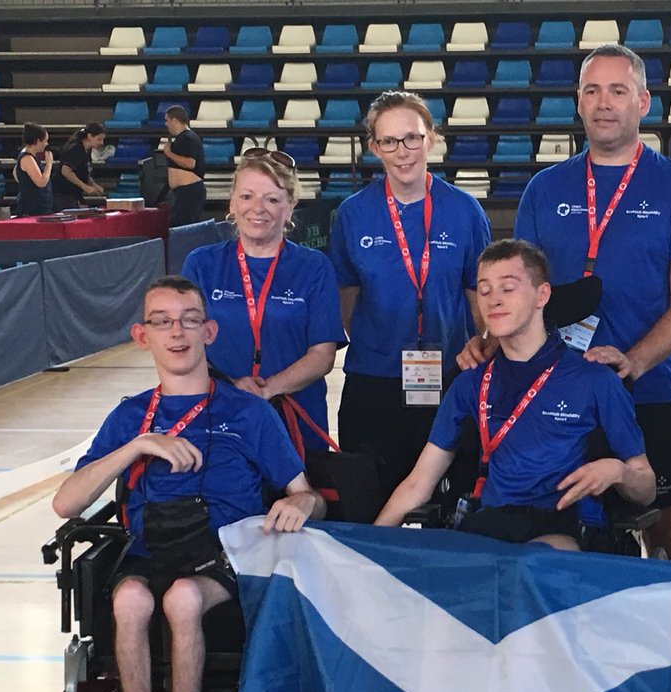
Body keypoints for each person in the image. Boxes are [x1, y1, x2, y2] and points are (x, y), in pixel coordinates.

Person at [51, 275, 325, 692]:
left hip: (226, 556)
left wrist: (298, 503)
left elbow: (309, 494)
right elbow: (66, 503)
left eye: (189, 319)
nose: (176, 332)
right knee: (129, 597)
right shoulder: (131, 416)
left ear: (210, 330)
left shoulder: (247, 412)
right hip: (153, 550)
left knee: (182, 598)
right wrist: (137, 447)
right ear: (141, 335)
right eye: (162, 321)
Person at [484, 43, 671, 563]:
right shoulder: (545, 189)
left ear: (643, 102)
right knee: (561, 522)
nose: (604, 102)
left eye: (618, 90)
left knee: (665, 535)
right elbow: (518, 293)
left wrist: (632, 362)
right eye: (593, 90)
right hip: (555, 391)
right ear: (579, 102)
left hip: (650, 388)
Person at [374, 239, 655, 550]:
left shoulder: (595, 380)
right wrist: (365, 550)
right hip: (492, 524)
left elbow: (646, 488)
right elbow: (418, 483)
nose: (495, 300)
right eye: (484, 290)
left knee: (531, 566)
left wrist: (619, 472)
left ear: (542, 295)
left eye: (508, 288)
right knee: (454, 568)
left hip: (566, 525)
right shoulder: (470, 383)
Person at [329, 90, 491, 501]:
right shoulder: (352, 213)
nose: (402, 152)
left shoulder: (465, 211)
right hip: (373, 383)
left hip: (450, 380)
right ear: (373, 148)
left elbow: (480, 296)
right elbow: (346, 299)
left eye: (412, 138)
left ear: (431, 139)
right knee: (372, 504)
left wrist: (480, 344)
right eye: (388, 141)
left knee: (446, 508)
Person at [181, 148, 346, 450]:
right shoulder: (201, 264)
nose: (258, 208)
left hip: (296, 424)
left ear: (290, 206)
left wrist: (268, 389)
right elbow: (185, 345)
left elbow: (322, 355)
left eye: (272, 199)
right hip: (219, 418)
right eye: (247, 196)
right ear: (231, 201)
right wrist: (232, 389)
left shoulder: (314, 267)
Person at [162, 105, 205, 226]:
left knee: (183, 227)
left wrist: (169, 153)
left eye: (167, 120)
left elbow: (190, 163)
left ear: (175, 120)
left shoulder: (188, 138)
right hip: (181, 191)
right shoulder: (181, 138)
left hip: (189, 190)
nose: (166, 124)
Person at [53, 122, 106, 210]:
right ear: (89, 136)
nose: (101, 143)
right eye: (99, 139)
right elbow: (65, 171)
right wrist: (85, 187)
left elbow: (85, 172)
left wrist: (94, 185)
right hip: (62, 194)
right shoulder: (76, 149)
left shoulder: (87, 150)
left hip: (74, 194)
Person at [13, 121, 54, 217]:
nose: (46, 144)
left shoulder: (33, 157)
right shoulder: (27, 158)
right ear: (38, 141)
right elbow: (41, 182)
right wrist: (49, 164)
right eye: (45, 140)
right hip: (32, 209)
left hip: (41, 207)